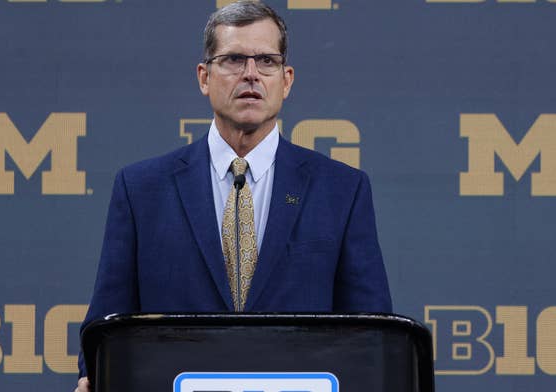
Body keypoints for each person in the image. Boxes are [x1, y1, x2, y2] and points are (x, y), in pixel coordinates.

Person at [75, 1, 391, 391]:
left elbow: (373, 337)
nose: (251, 74)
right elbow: (107, 326)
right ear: (204, 77)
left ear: (287, 80)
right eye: (234, 60)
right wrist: (93, 377)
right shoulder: (142, 189)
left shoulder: (341, 190)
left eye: (266, 61)